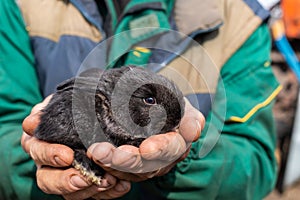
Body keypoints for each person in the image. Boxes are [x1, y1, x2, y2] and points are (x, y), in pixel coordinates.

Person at [1, 0, 281, 199]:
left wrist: (184, 157)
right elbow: (8, 125)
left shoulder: (241, 19)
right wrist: (35, 163)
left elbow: (254, 163)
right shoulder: (18, 6)